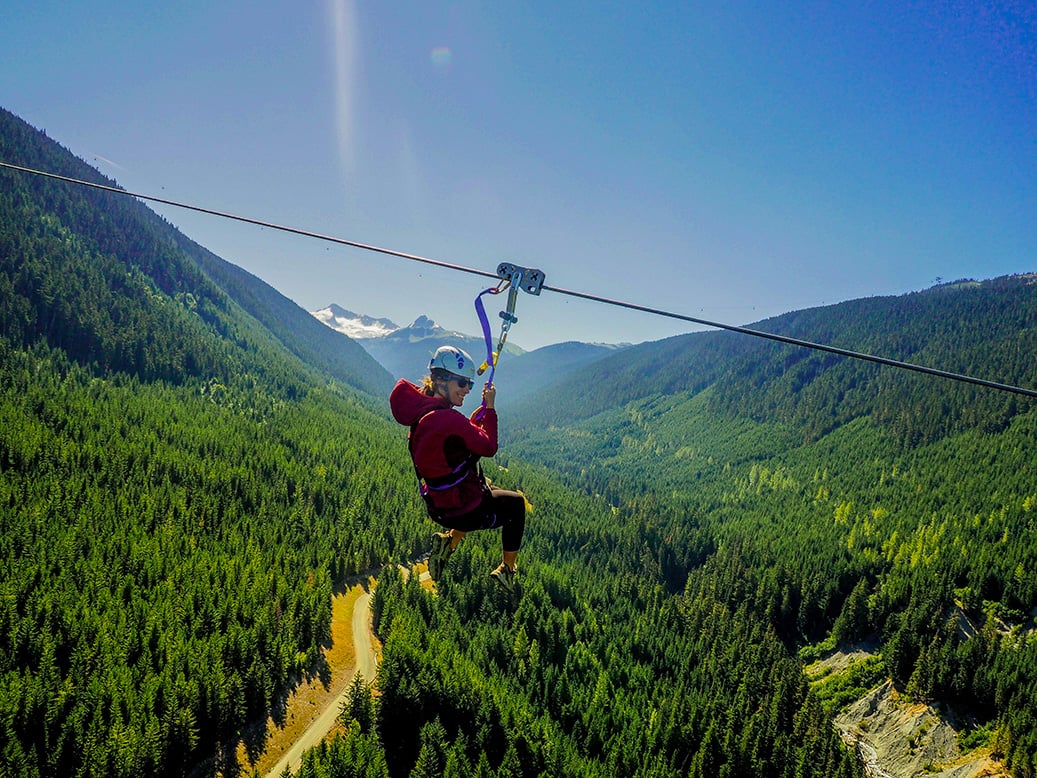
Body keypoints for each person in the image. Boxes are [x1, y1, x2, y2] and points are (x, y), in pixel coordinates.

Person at [390, 345, 526, 591]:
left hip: (439, 505)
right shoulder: (447, 418)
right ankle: (507, 569)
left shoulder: (424, 415)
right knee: (516, 504)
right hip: (461, 510)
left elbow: (449, 445)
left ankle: (448, 543)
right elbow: (489, 447)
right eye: (462, 383)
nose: (467, 390)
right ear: (441, 380)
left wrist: (471, 425)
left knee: (486, 489)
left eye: (470, 385)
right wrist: (491, 409)